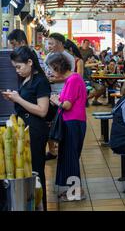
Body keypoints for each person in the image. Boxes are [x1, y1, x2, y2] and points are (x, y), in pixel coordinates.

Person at [2, 46, 51, 210]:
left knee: (36, 170)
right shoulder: (25, 79)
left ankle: (39, 205)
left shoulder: (40, 81)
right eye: (15, 67)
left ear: (30, 62)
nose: (17, 71)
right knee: (26, 169)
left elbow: (42, 110)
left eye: (19, 66)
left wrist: (18, 99)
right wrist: (14, 99)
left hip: (36, 130)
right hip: (24, 128)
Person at [47, 53, 87, 202]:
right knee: (69, 157)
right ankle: (72, 190)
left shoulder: (73, 80)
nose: (51, 72)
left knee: (70, 158)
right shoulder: (73, 79)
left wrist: (55, 100)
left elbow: (67, 105)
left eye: (51, 68)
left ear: (58, 67)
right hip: (73, 122)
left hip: (72, 122)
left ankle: (76, 192)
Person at [44, 33, 75, 161]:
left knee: (61, 125)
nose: (49, 46)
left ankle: (63, 151)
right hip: (50, 95)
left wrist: (51, 80)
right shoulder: (49, 56)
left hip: (63, 94)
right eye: (48, 43)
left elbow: (69, 76)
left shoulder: (68, 57)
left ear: (60, 43)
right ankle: (52, 151)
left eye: (51, 43)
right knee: (48, 123)